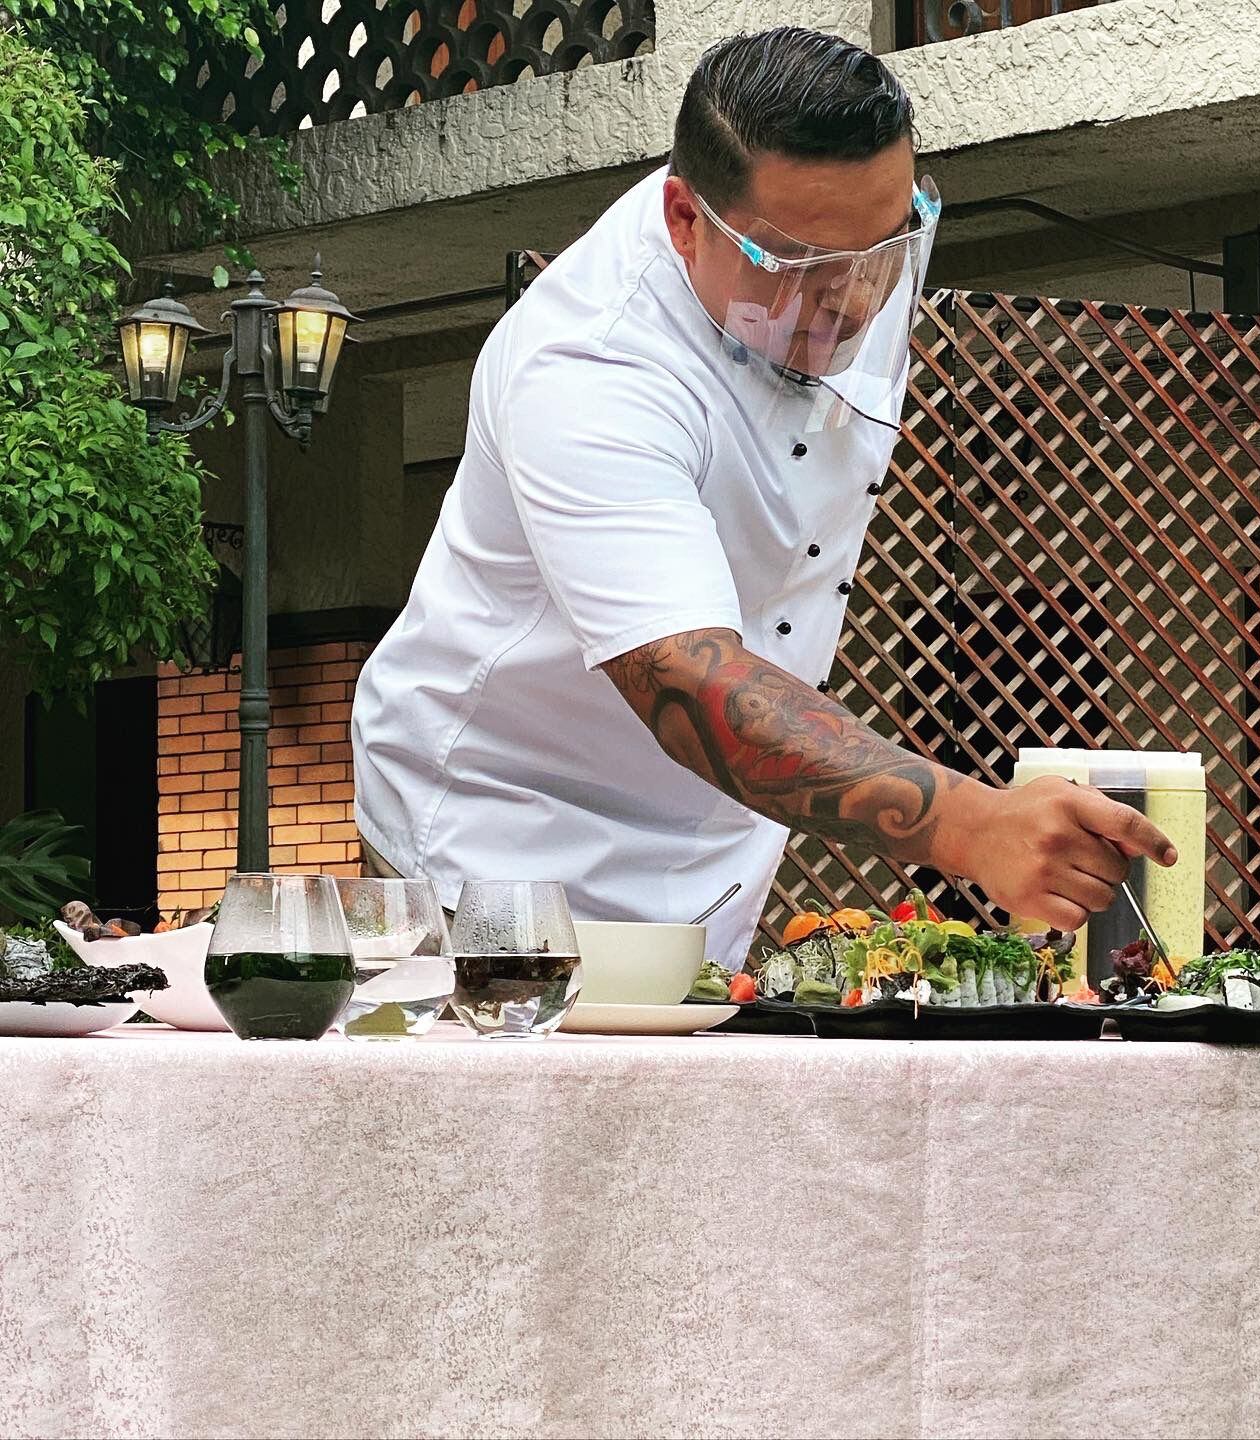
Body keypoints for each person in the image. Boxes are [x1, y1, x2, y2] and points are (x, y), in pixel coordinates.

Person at [351, 25, 1176, 964]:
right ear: (684, 220)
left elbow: (848, 271)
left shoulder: (854, 247)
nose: (854, 301)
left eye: (887, 248)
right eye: (801, 270)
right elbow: (687, 680)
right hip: (503, 836)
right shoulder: (590, 364)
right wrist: (967, 823)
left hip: (721, 846)